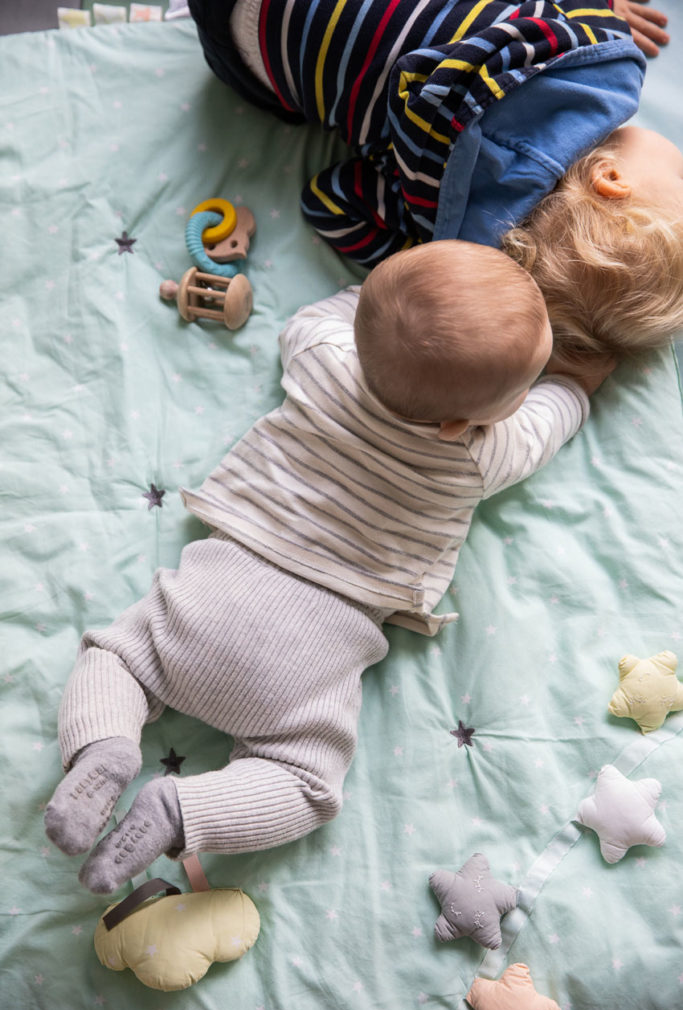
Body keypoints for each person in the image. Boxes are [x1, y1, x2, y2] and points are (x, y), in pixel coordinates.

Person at [44, 241, 615, 894]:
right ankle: (184, 810)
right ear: (466, 422)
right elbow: (547, 425)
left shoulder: (324, 360)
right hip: (314, 654)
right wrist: (574, 384)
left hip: (210, 595)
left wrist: (370, 302)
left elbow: (311, 321)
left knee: (114, 660)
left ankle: (104, 747)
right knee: (305, 784)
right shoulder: (480, 454)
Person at [188, 0, 683, 366]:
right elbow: (326, 201)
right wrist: (418, 255)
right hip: (246, 44)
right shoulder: (433, 219)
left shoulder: (590, 50)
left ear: (611, 180)